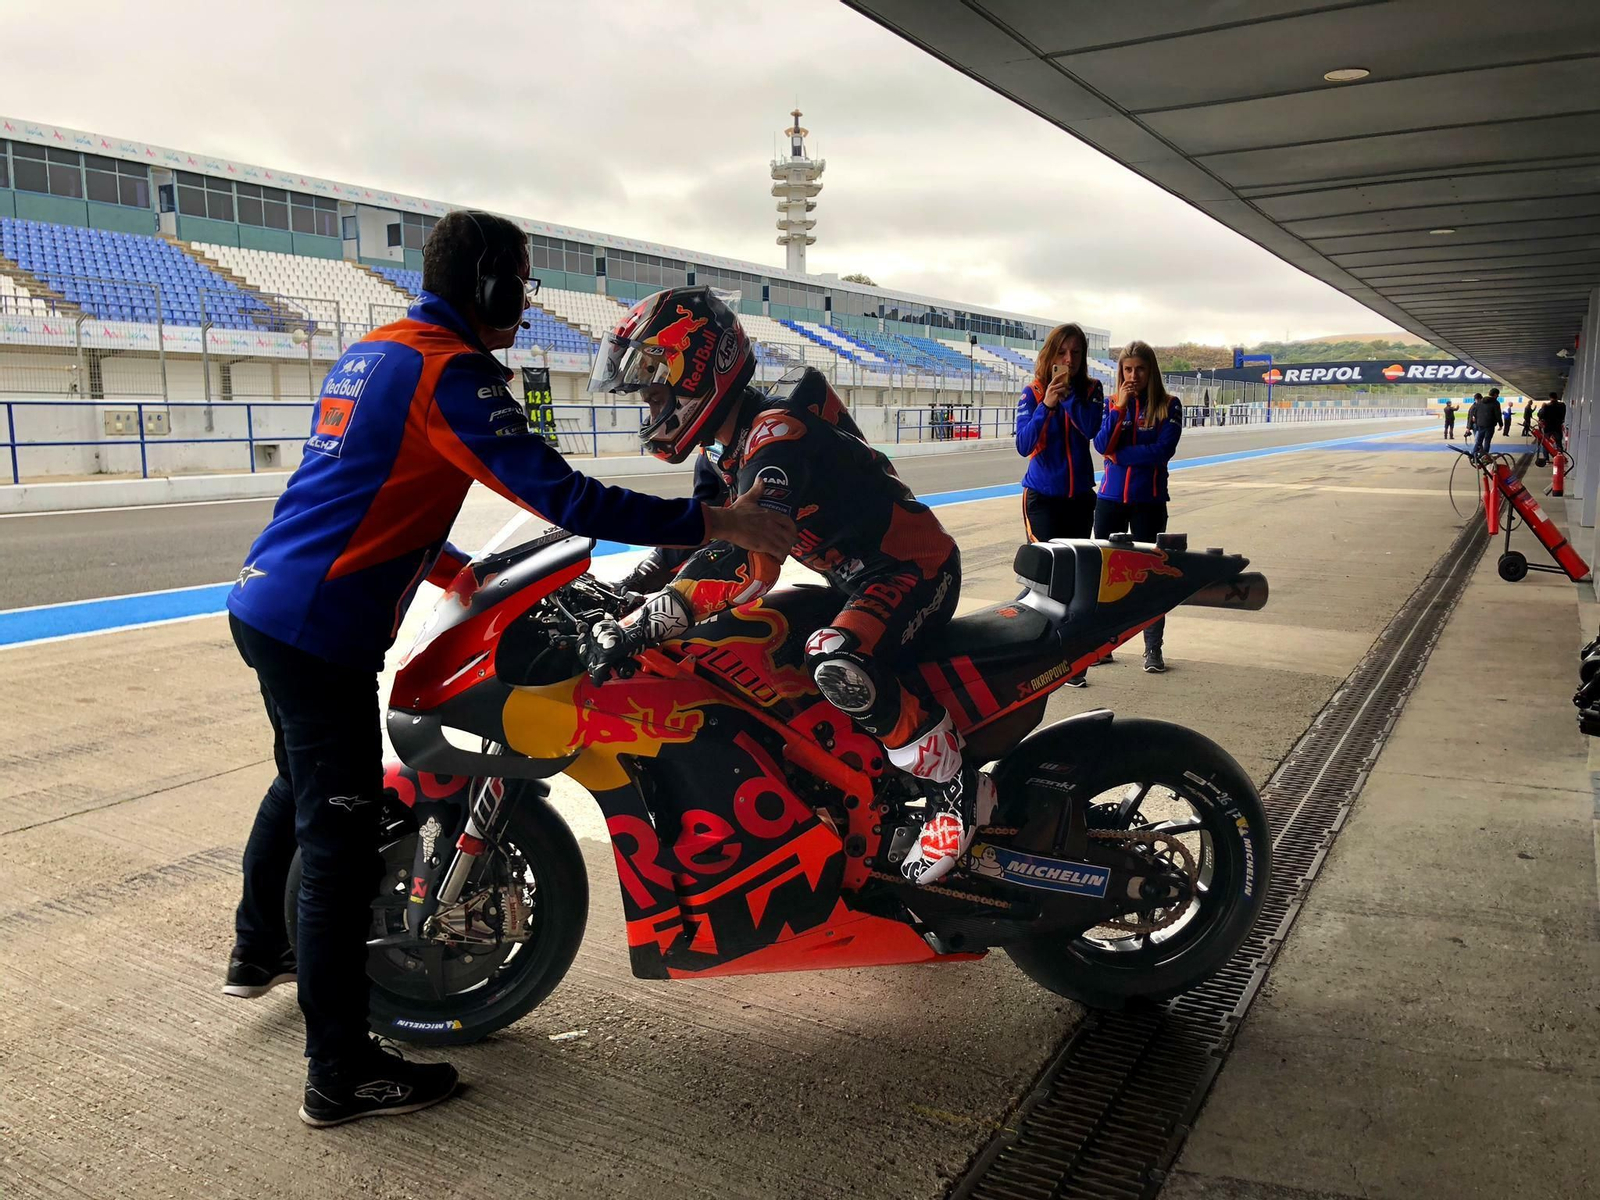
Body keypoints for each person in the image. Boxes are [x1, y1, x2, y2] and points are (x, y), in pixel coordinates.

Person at [222, 213, 794, 1127]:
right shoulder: (455, 373)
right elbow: (565, 496)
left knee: (299, 782)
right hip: (317, 624)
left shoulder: (378, 350)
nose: (526, 305)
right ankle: (339, 1072)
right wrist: (718, 524)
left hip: (267, 601)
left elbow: (366, 483)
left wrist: (452, 567)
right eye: (520, 284)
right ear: (485, 282)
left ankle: (259, 950)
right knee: (336, 836)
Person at [585, 286, 991, 887]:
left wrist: (639, 625)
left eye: (655, 383)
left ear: (699, 367)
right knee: (754, 647)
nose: (650, 401)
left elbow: (753, 557)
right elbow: (693, 539)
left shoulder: (775, 435)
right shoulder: (722, 452)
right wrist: (620, 592)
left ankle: (954, 791)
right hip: (852, 582)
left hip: (913, 570)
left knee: (836, 658)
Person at [1014, 323, 1104, 685]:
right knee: (1044, 577)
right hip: (1042, 498)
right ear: (1050, 354)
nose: (1068, 359)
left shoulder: (1092, 390)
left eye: (1076, 353)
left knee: (1075, 580)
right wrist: (1047, 405)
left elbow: (1090, 430)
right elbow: (1023, 444)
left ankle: (1068, 659)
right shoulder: (1033, 392)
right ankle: (1028, 651)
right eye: (1062, 352)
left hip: (1080, 497)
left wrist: (1067, 399)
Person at [1093, 341, 1182, 674]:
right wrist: (1120, 408)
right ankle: (1103, 646)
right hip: (1110, 500)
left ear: (1151, 370)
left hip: (1150, 502)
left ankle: (1152, 649)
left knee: (1151, 576)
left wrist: (1119, 456)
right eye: (1127, 370)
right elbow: (1102, 444)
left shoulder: (1170, 405)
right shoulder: (1111, 404)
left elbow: (1162, 451)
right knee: (1105, 577)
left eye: (1140, 369)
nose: (1133, 376)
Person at [1469, 390, 1501, 460]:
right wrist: (1501, 424)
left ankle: (1473, 455)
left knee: (1479, 441)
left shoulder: (1480, 402)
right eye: (1497, 395)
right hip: (1490, 425)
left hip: (1480, 425)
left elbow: (1474, 412)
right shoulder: (1495, 402)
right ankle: (1485, 457)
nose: (1498, 396)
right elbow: (1498, 415)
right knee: (1487, 441)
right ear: (1495, 394)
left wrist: (1477, 421)